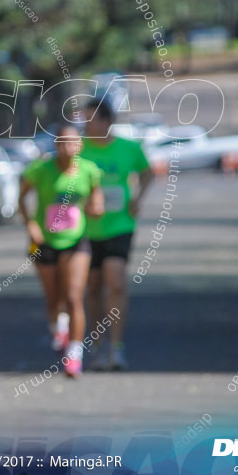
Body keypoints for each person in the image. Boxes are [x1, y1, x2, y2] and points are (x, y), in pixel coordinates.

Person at [19, 121, 104, 378]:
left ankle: (75, 354)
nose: (69, 147)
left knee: (74, 295)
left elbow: (95, 198)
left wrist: (95, 208)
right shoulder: (40, 170)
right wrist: (31, 224)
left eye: (74, 142)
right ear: (56, 145)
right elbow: (21, 197)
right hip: (44, 241)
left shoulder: (89, 170)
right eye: (64, 142)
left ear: (80, 145)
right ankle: (58, 326)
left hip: (77, 240)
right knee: (54, 297)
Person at [80, 98, 152, 371]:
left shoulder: (128, 148)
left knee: (116, 281)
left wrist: (138, 198)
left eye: (91, 120)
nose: (87, 125)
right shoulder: (79, 151)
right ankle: (98, 347)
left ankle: (117, 346)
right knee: (94, 287)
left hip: (120, 225)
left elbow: (147, 173)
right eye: (84, 120)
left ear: (107, 121)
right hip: (87, 229)